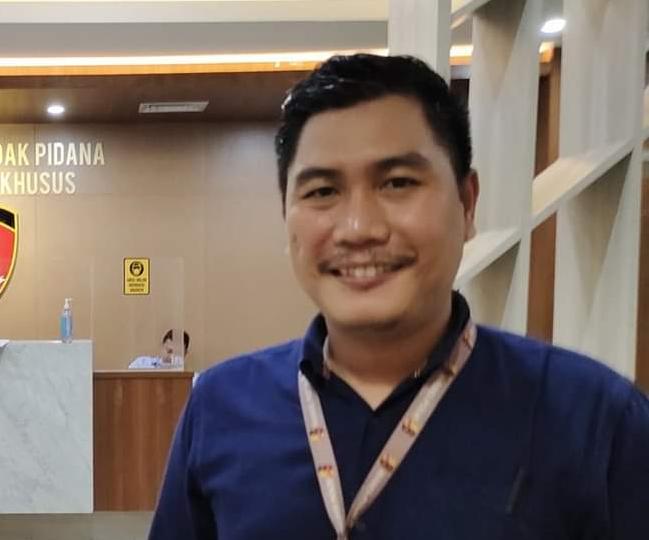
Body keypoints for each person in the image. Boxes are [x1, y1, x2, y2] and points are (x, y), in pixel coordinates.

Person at [149, 55, 649, 539]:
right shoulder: (219, 408)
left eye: (397, 183)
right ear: (287, 216)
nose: (359, 228)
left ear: (467, 203)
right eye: (322, 191)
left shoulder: (594, 419)